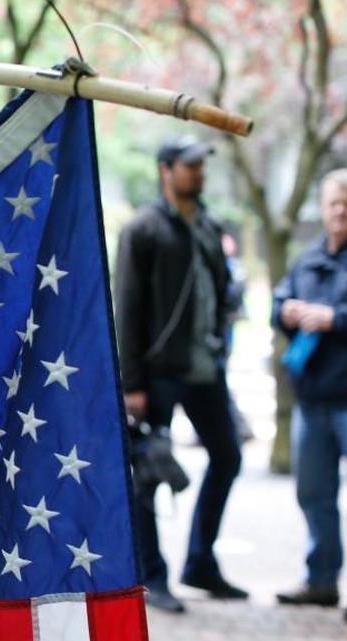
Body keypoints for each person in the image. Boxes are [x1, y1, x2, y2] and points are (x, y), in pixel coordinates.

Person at [113, 134, 247, 613]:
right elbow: (126, 308)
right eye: (190, 165)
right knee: (147, 472)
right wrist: (132, 386)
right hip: (158, 373)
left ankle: (200, 564)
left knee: (228, 457)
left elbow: (222, 289)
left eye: (202, 165)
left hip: (206, 367)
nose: (199, 173)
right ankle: (152, 575)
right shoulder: (144, 229)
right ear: (166, 169)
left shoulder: (208, 226)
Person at [273, 168, 347, 623]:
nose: (340, 210)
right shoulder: (308, 258)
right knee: (314, 495)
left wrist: (336, 319)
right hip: (312, 400)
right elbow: (279, 302)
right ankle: (321, 580)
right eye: (333, 202)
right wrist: (285, 311)